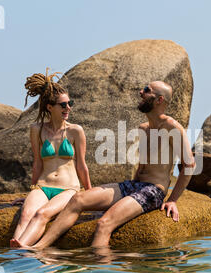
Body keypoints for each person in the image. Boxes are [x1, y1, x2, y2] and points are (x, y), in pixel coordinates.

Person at [28, 80, 196, 250]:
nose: (140, 92)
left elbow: (189, 165)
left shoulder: (171, 127)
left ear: (159, 100)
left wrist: (172, 200)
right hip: (134, 185)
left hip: (153, 190)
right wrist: (129, 188)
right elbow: (142, 166)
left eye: (147, 90)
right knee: (78, 199)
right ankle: (40, 247)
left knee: (104, 224)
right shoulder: (143, 128)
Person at [10, 69, 92, 248]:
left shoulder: (75, 131)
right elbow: (37, 163)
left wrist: (90, 193)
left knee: (42, 214)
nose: (68, 108)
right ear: (50, 107)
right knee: (25, 214)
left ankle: (22, 249)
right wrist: (31, 192)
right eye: (63, 105)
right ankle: (16, 252)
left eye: (70, 103)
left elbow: (81, 165)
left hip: (68, 189)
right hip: (42, 187)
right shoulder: (36, 129)